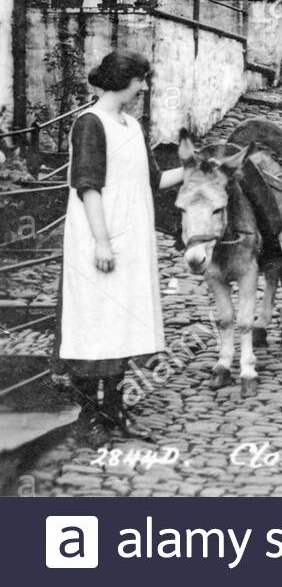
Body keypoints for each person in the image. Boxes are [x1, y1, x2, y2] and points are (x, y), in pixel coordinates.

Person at [55, 49, 183, 441]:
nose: (144, 87)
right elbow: (88, 186)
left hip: (133, 240)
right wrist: (102, 242)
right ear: (123, 80)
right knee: (93, 323)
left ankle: (114, 411)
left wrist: (195, 168)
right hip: (100, 237)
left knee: (122, 323)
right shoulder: (90, 123)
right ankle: (87, 418)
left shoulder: (130, 125)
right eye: (140, 79)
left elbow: (153, 181)